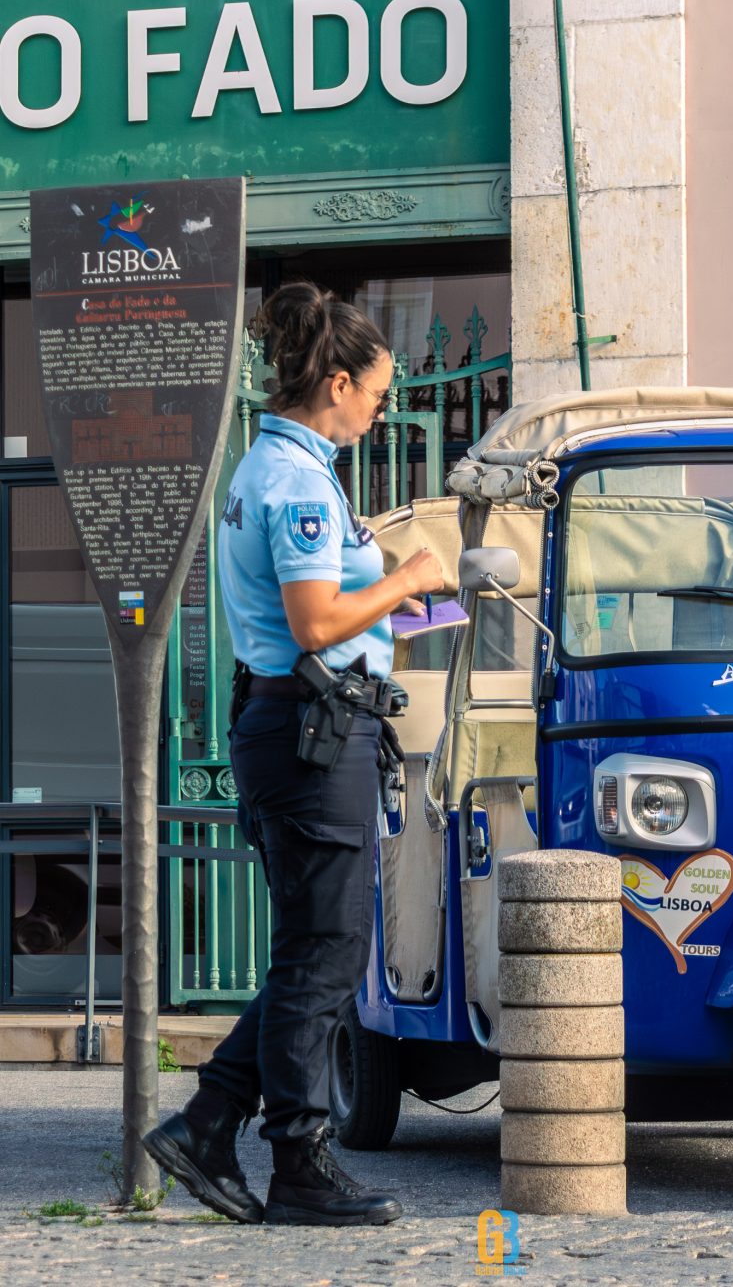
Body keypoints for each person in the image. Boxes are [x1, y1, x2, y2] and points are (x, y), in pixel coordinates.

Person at [143, 281, 443, 1226]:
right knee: (327, 951)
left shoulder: (265, 468)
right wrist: (405, 584)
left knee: (311, 954)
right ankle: (294, 1163)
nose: (383, 409)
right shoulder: (299, 483)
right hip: (313, 733)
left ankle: (210, 1124)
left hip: (292, 727)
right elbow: (316, 622)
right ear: (341, 383)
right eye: (380, 395)